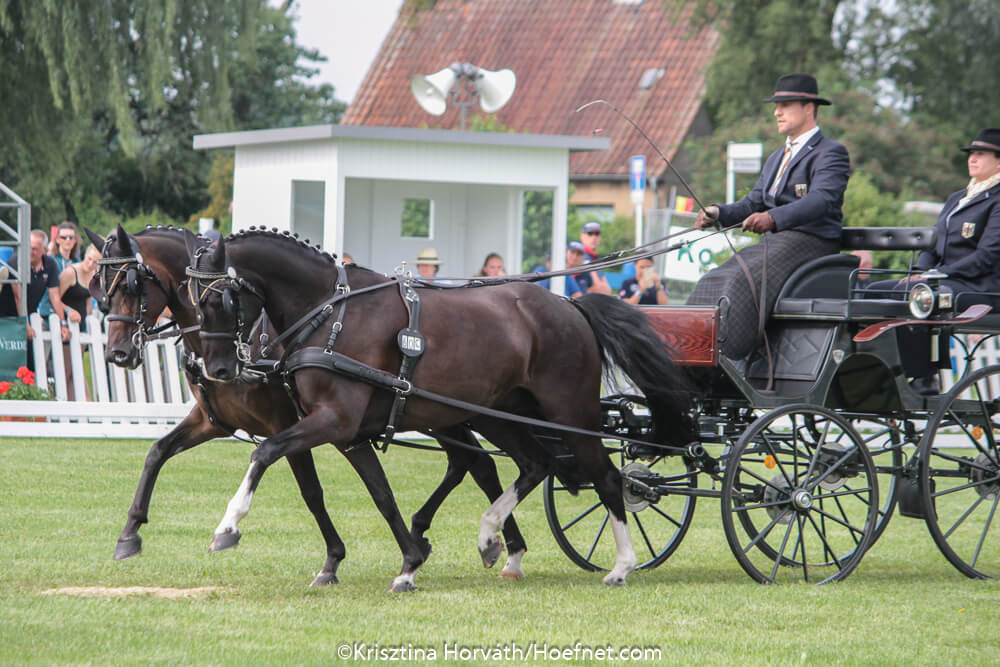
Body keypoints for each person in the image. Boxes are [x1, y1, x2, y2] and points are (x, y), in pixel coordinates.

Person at [688, 72, 851, 359]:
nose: (777, 112)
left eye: (785, 105)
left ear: (808, 108)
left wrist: (773, 218)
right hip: (776, 245)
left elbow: (822, 200)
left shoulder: (830, 153)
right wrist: (718, 213)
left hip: (811, 244)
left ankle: (730, 354)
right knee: (711, 279)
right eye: (776, 106)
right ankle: (694, 351)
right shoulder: (777, 157)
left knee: (739, 282)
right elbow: (754, 202)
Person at [866, 127, 1000, 395]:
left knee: (919, 294)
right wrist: (921, 271)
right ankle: (883, 371)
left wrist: (934, 277)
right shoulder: (957, 198)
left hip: (981, 288)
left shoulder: (996, 200)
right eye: (971, 153)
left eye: (981, 154)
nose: (973, 159)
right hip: (944, 282)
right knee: (872, 292)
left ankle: (924, 378)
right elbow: (933, 243)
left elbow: (986, 256)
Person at [0, 229, 71, 368]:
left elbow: (55, 296)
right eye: (28, 247)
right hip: (6, 319)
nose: (30, 252)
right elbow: (19, 297)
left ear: (44, 250)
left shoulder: (50, 264)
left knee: (30, 365)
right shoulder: (16, 261)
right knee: (6, 365)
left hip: (29, 318)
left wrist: (63, 323)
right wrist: (25, 324)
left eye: (34, 249)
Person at [39, 221, 81, 320]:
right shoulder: (50, 261)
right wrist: (68, 310)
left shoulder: (77, 262)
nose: (68, 240)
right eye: (64, 237)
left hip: (74, 315)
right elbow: (50, 295)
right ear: (57, 239)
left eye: (71, 237)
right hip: (51, 315)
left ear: (75, 240)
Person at [574, 221, 612, 294]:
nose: (594, 237)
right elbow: (600, 289)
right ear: (582, 236)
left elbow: (608, 290)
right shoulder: (579, 256)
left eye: (597, 234)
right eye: (590, 233)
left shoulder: (595, 258)